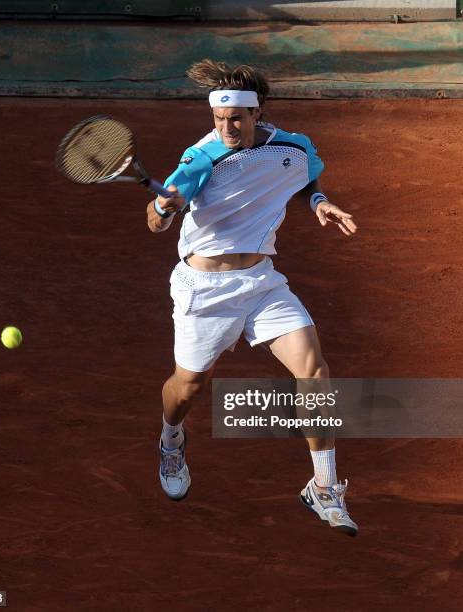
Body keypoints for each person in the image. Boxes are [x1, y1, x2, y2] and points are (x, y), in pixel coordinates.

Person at [146, 59, 359, 536]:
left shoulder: (292, 146)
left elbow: (304, 178)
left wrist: (321, 203)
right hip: (205, 291)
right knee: (189, 388)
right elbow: (155, 222)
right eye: (219, 119)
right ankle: (171, 438)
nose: (226, 128)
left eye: (236, 119)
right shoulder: (200, 158)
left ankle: (323, 487)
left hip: (262, 283)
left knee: (314, 372)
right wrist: (163, 207)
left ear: (257, 112)